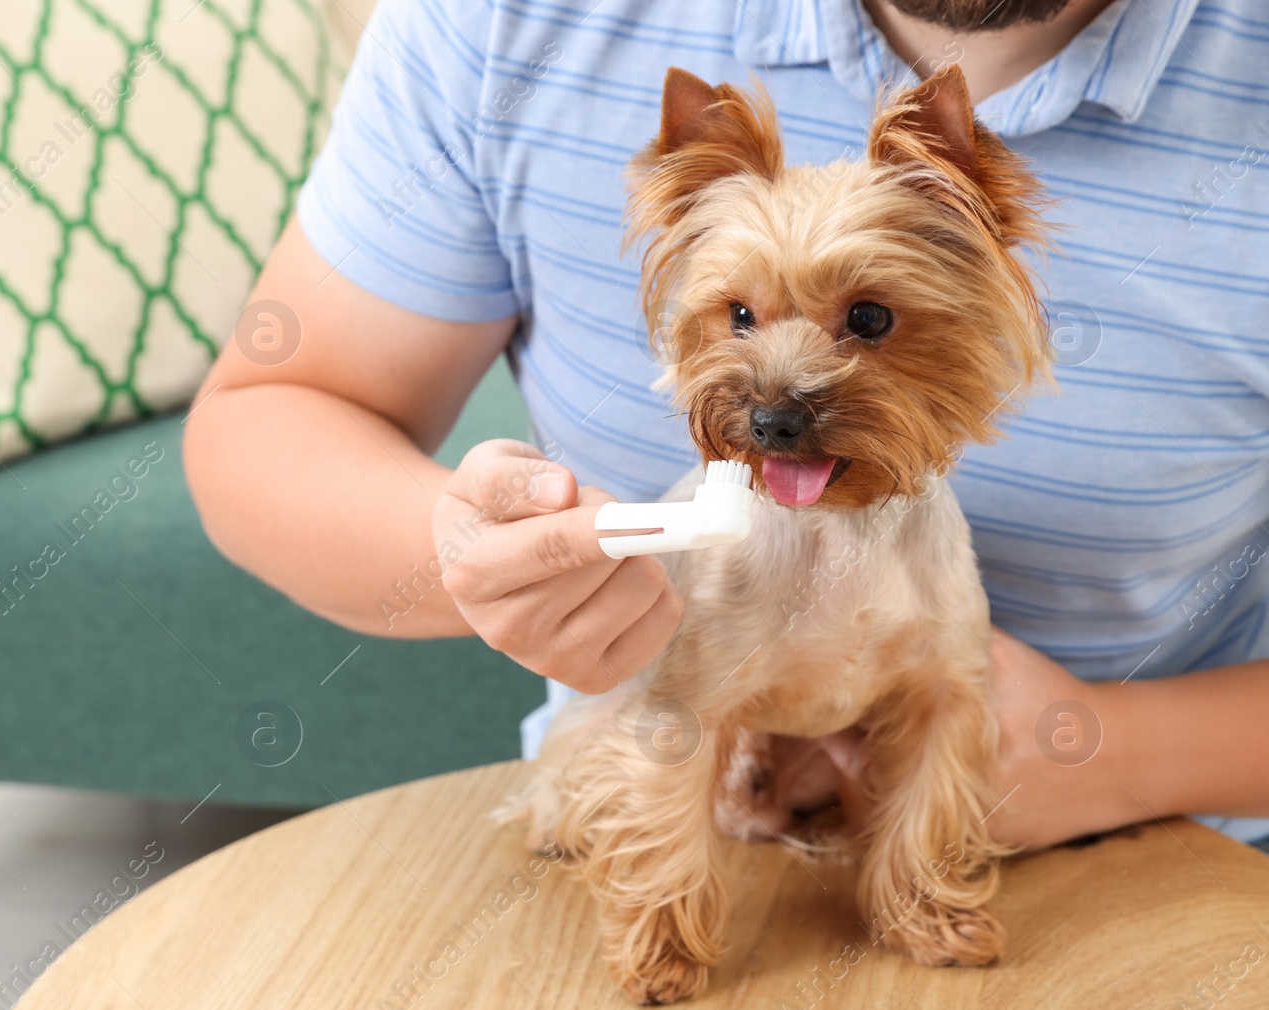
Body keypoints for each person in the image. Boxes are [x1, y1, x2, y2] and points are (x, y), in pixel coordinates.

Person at [185, 0, 1269, 851]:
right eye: (741, 317)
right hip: (662, 807)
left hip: (1169, 862)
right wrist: (465, 548)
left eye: (870, 321)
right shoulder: (502, 23)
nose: (781, 400)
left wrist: (1116, 752)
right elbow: (274, 414)